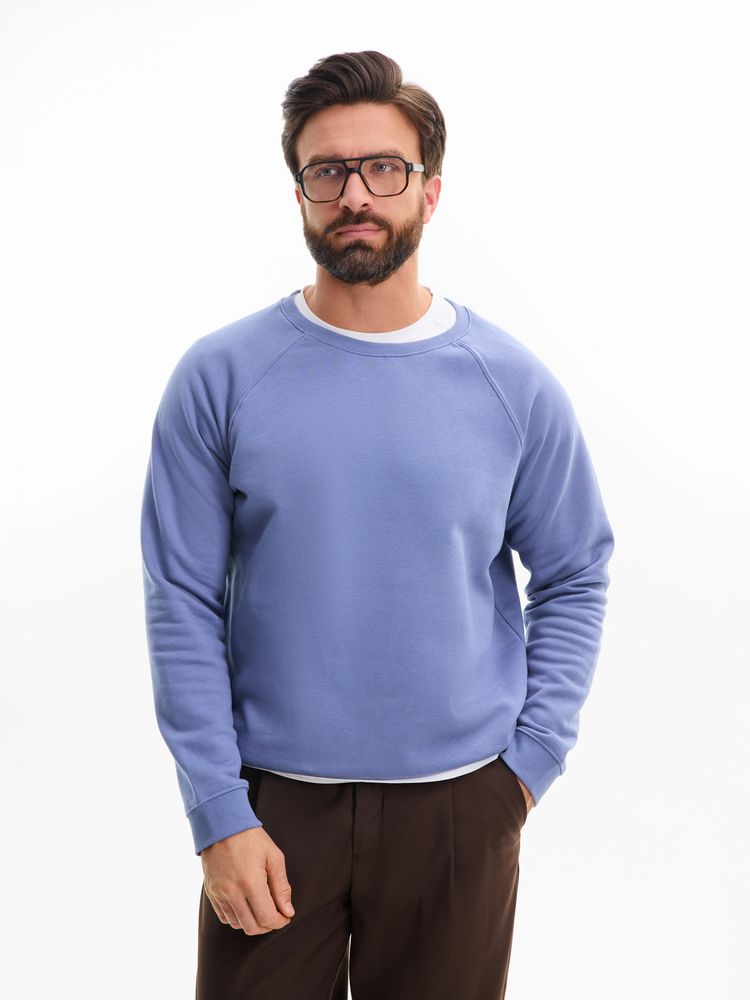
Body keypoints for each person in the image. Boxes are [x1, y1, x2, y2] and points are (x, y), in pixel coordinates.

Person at [140, 49, 615, 1000]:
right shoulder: (220, 377)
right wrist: (217, 810)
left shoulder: (513, 384)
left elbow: (575, 570)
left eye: (384, 168)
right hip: (271, 810)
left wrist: (529, 765)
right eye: (328, 171)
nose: (355, 193)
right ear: (300, 195)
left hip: (462, 806)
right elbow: (180, 600)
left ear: (430, 192)